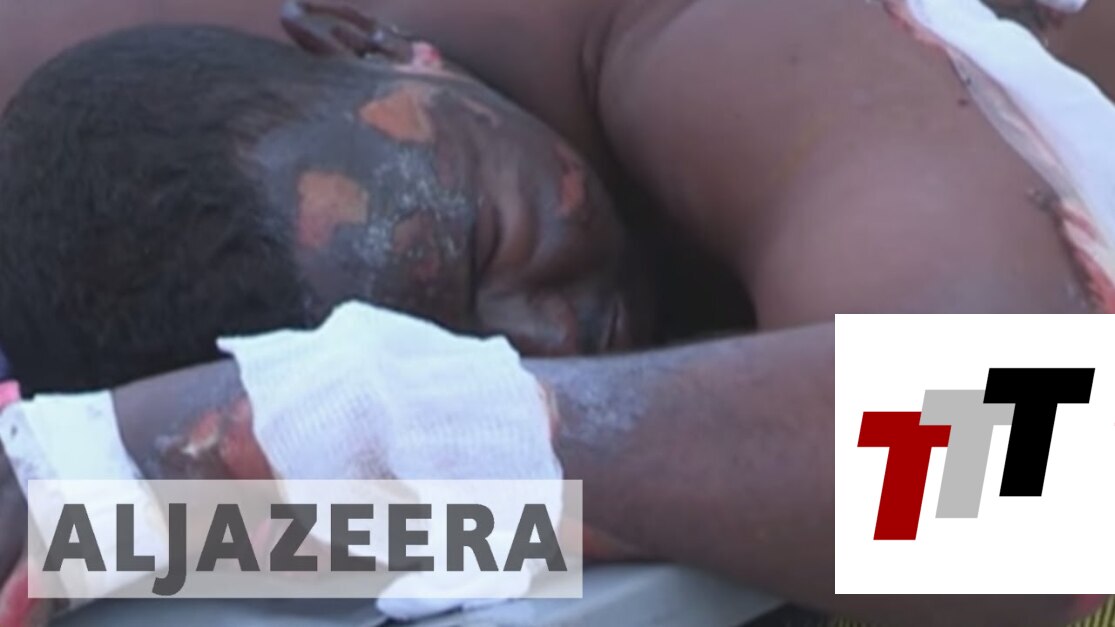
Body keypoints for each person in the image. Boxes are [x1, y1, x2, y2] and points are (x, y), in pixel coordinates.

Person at [1, 0, 1112, 625]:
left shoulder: (703, 34)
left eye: (488, 242)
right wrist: (168, 486)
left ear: (373, 46)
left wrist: (371, 418)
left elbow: (1035, 472)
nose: (551, 344)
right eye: (455, 353)